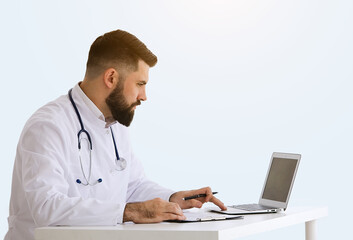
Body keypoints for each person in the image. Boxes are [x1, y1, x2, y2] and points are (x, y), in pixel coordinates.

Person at [5, 29, 227, 240]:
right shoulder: (48, 126)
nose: (144, 96)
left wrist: (173, 199)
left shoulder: (115, 124)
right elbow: (46, 208)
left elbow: (133, 185)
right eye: (140, 84)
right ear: (111, 78)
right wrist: (131, 212)